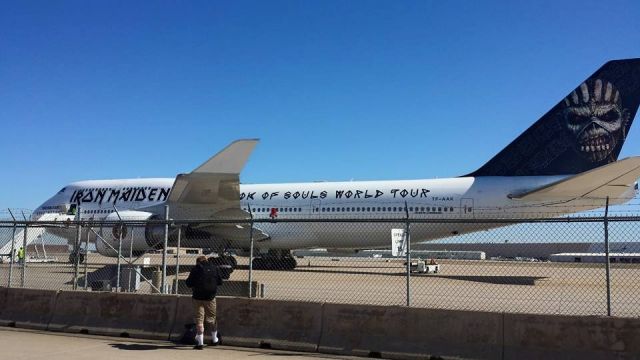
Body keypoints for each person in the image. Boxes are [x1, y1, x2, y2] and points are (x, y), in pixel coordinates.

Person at [185, 256, 223, 350]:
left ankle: (200, 342)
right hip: (210, 298)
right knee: (212, 318)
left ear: (198, 262)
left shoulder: (196, 269)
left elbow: (188, 283)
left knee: (199, 320)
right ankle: (214, 339)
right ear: (206, 260)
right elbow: (220, 282)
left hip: (197, 297)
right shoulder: (215, 268)